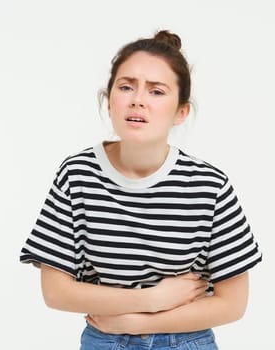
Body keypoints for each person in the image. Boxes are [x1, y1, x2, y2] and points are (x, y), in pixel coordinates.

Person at [19, 29, 262, 350]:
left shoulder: (209, 185)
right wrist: (151, 298)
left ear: (181, 112)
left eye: (157, 91)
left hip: (185, 342)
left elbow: (233, 304)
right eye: (126, 86)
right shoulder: (77, 174)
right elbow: (56, 292)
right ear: (109, 102)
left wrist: (138, 321)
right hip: (104, 341)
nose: (138, 99)